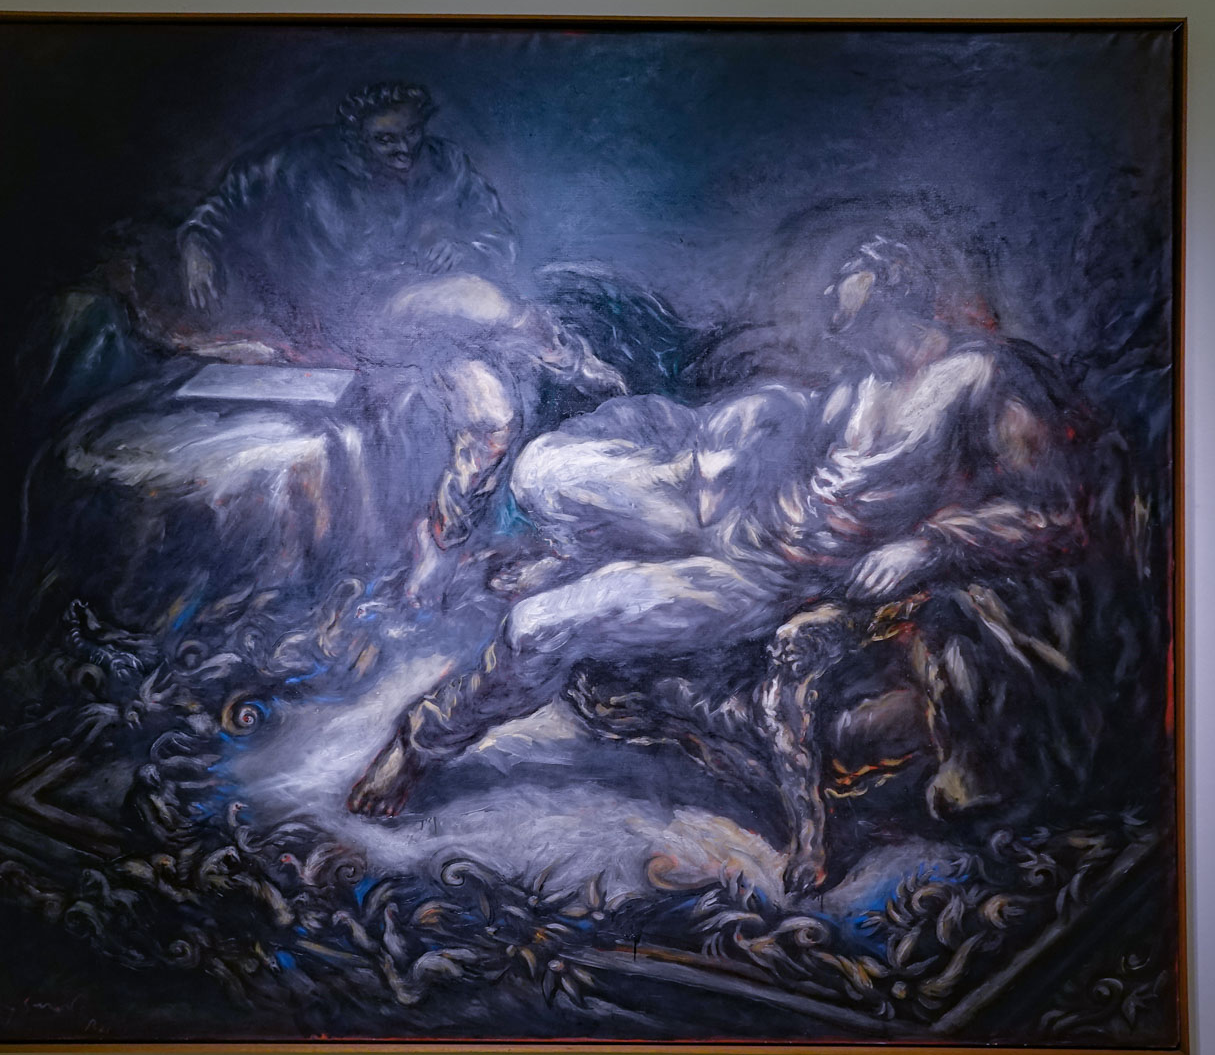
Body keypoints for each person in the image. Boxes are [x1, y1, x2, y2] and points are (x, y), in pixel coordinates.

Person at [346, 231, 1111, 891]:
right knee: (547, 472)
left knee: (540, 624)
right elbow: (800, 457)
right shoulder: (858, 384)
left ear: (891, 285)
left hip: (774, 577)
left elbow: (1055, 515)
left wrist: (927, 544)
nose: (827, 294)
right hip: (735, 519)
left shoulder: (980, 377)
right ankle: (447, 710)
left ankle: (418, 742)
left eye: (846, 278)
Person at [176, 81, 517, 343]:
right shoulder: (298, 162)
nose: (404, 149)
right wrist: (196, 243)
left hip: (427, 321)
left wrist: (466, 250)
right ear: (355, 138)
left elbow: (498, 235)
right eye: (385, 140)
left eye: (412, 132)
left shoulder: (447, 163)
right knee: (475, 303)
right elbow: (222, 205)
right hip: (332, 322)